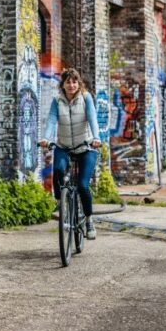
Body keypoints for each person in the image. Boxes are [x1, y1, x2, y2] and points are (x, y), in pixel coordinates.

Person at [39, 68, 101, 240]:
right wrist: (46, 138)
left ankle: (89, 219)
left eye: (74, 81)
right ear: (63, 84)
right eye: (68, 82)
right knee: (58, 170)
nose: (71, 85)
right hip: (64, 146)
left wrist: (96, 138)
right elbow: (51, 120)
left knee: (82, 185)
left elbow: (92, 118)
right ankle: (60, 203)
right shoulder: (57, 100)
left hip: (86, 147)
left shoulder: (86, 98)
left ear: (78, 83)